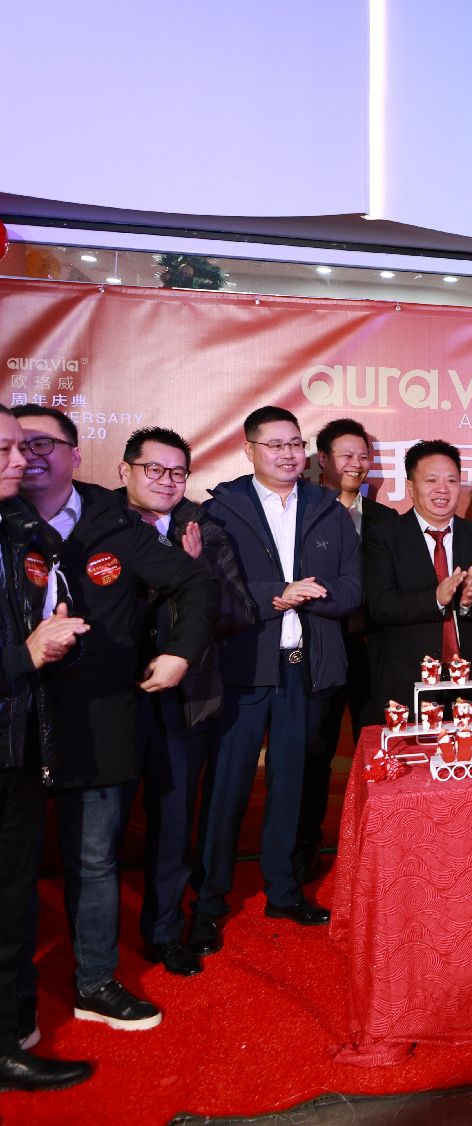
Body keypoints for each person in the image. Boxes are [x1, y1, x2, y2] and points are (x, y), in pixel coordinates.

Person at [14, 405, 214, 1032]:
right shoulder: (5, 523)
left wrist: (181, 652)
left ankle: (95, 982)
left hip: (98, 713)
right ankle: (13, 1001)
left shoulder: (114, 522)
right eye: (19, 445)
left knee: (95, 858)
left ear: (77, 455)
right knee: (11, 867)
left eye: (45, 444)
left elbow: (196, 584)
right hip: (13, 711)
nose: (29, 456)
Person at [189, 406, 362, 955]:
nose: (288, 455)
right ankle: (208, 903)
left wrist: (312, 596)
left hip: (305, 669)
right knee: (227, 788)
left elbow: (353, 589)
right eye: (275, 445)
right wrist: (277, 595)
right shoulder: (221, 511)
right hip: (244, 669)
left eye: (295, 444)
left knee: (293, 785)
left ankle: (284, 892)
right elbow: (213, 589)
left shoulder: (329, 509)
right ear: (249, 450)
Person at [116, 427, 254, 978]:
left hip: (186, 700)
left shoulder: (205, 528)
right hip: (112, 701)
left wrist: (197, 571)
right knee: (99, 829)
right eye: (154, 469)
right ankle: (91, 945)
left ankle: (163, 931)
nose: (166, 481)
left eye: (177, 472)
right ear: (125, 470)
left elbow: (239, 611)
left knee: (173, 823)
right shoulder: (98, 524)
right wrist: (171, 573)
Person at [0, 404, 94, 1092]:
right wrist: (25, 654)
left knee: (14, 899)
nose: (20, 461)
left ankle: (10, 1030)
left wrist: (53, 639)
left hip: (20, 741)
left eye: (24, 447)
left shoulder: (20, 530)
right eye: (5, 449)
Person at [296, 418, 397, 879]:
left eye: (363, 456)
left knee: (375, 749)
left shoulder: (385, 520)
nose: (356, 464)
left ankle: (376, 852)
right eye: (345, 455)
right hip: (318, 647)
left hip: (373, 651)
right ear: (323, 460)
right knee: (314, 753)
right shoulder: (303, 512)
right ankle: (304, 851)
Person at [364, 439, 472, 719]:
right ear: (410, 487)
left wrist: (469, 602)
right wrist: (436, 598)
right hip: (407, 685)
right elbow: (380, 604)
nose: (442, 489)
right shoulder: (385, 536)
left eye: (451, 480)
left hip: (470, 685)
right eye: (431, 480)